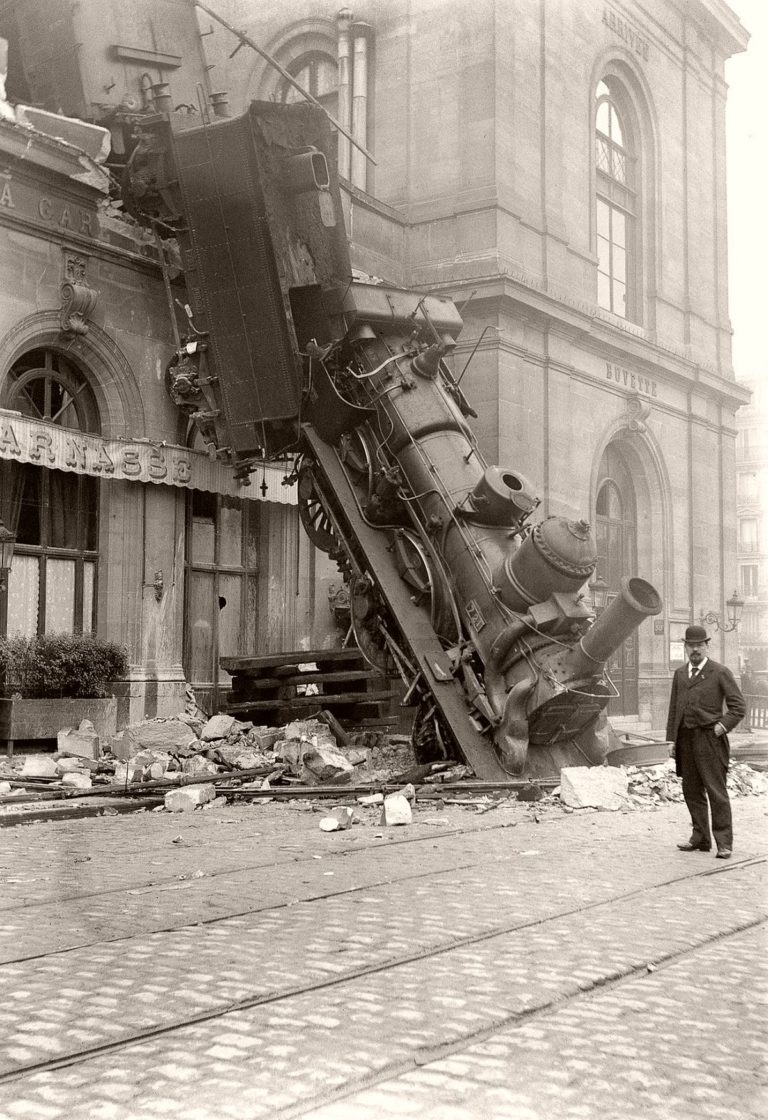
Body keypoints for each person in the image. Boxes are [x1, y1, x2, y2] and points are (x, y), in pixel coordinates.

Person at [666, 624, 745, 859]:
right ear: (685, 647)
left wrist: (722, 726)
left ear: (707, 646)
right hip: (685, 740)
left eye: (699, 645)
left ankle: (724, 842)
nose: (695, 649)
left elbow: (738, 707)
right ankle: (700, 837)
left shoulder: (720, 672)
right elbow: (674, 709)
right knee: (691, 790)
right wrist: (671, 739)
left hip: (710, 739)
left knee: (716, 791)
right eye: (690, 645)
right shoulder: (680, 674)